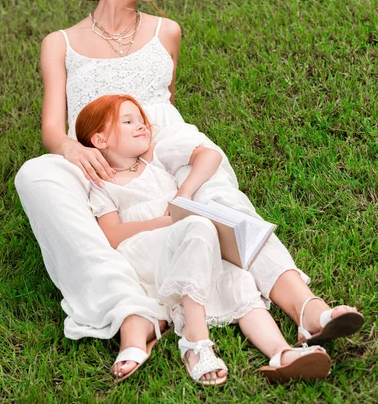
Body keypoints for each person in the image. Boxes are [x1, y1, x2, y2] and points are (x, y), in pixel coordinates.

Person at [15, 0, 363, 381]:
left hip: (159, 134)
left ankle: (306, 309)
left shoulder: (166, 31)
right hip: (93, 148)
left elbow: (167, 105)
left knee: (220, 196)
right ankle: (128, 306)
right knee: (34, 176)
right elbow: (50, 128)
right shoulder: (59, 43)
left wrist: (172, 172)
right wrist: (70, 149)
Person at [75, 93, 332, 384]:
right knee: (199, 225)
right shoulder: (103, 184)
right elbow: (113, 234)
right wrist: (169, 220)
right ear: (99, 140)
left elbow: (210, 155)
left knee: (236, 277)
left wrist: (182, 195)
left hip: (190, 241)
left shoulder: (152, 159)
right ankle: (195, 342)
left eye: (142, 120)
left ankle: (281, 352)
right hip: (148, 249)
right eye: (128, 121)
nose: (142, 125)